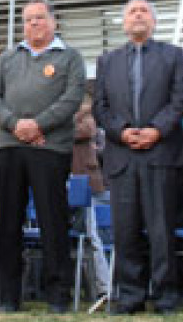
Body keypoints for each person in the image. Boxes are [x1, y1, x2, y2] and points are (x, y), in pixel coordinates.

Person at [0, 0, 86, 313]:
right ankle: (8, 296)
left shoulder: (70, 57)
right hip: (9, 146)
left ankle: (57, 296)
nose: (34, 24)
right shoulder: (8, 57)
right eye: (28, 19)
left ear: (53, 21)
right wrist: (15, 125)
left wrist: (38, 125)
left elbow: (72, 98)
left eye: (40, 17)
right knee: (8, 221)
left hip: (49, 148)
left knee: (52, 220)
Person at [93, 0, 183, 314]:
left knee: (161, 230)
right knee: (125, 230)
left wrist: (156, 130)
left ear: (154, 21)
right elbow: (100, 107)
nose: (138, 15)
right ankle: (130, 295)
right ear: (124, 23)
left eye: (144, 10)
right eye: (132, 11)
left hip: (160, 154)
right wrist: (121, 131)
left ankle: (165, 296)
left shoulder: (173, 55)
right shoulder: (107, 61)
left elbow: (180, 100)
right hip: (122, 156)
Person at [71, 94, 111, 310]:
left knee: (92, 235)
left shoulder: (86, 110)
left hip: (86, 183)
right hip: (61, 180)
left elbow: (85, 130)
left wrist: (53, 128)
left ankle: (104, 287)